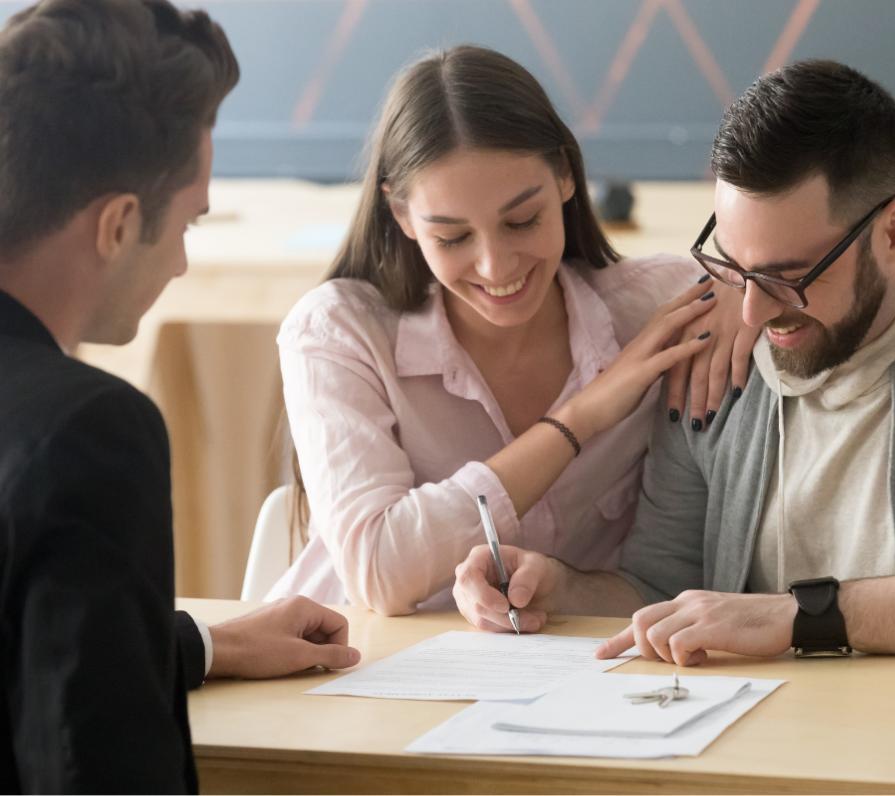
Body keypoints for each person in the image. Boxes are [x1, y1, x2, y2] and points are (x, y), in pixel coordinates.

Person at [453, 59, 895, 664]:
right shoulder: (717, 364)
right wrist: (562, 589)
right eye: (735, 267)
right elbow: (664, 586)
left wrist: (798, 617)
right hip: (746, 744)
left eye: (787, 277)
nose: (753, 313)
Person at [0, 2, 358, 792]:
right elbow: (96, 766)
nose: (183, 268)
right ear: (120, 225)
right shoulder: (87, 429)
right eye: (190, 223)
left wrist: (200, 642)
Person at [269, 45, 755, 615]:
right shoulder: (338, 332)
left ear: (567, 179)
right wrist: (579, 418)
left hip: (584, 678)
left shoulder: (660, 310)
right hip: (359, 673)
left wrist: (741, 286)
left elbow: (777, 280)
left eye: (523, 220)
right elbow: (379, 573)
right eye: (452, 238)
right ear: (401, 216)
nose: (496, 267)